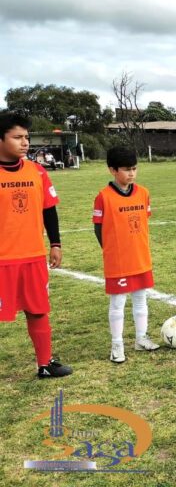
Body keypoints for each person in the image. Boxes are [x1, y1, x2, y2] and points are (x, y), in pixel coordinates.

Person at [0, 112, 72, 378]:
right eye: (17, 137)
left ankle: (45, 363)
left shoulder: (37, 171)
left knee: (38, 310)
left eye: (27, 137)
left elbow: (49, 209)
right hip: (2, 260)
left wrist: (55, 243)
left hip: (32, 256)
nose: (25, 143)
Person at [93, 147, 159, 363]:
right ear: (112, 170)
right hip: (118, 261)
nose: (131, 174)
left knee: (141, 299)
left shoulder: (144, 193)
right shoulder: (103, 197)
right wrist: (112, 251)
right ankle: (117, 345)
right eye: (126, 170)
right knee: (118, 304)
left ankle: (141, 339)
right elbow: (98, 228)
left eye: (134, 169)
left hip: (140, 258)